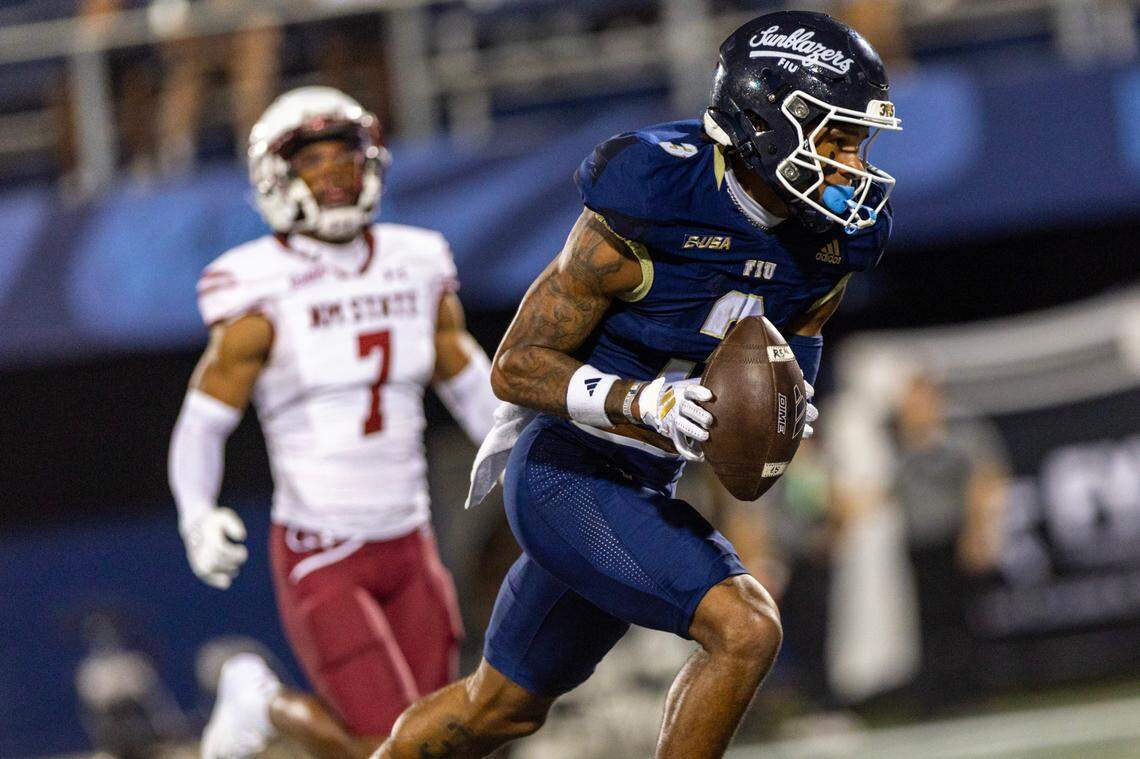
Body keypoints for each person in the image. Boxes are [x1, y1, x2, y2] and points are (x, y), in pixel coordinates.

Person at [371, 10, 900, 759]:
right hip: (569, 468)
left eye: (859, 142)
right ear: (768, 121)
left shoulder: (831, 241)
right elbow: (516, 365)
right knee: (746, 628)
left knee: (499, 710)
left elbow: (797, 345)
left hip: (645, 486)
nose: (854, 164)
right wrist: (642, 401)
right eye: (838, 137)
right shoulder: (654, 191)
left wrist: (783, 409)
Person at [167, 86, 499, 759]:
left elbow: (466, 376)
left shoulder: (416, 261)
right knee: (386, 747)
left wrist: (525, 455)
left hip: (410, 542)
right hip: (323, 550)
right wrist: (196, 512)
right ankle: (258, 699)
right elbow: (204, 419)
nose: (333, 175)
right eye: (311, 162)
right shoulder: (258, 285)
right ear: (276, 179)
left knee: (440, 742)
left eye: (343, 158)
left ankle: (257, 699)